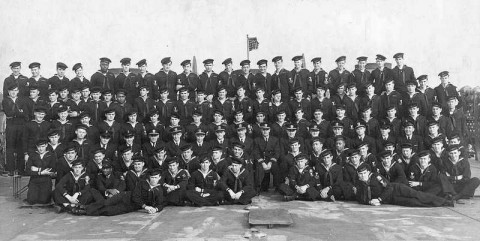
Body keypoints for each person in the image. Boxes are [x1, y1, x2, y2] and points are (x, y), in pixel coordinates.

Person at [355, 165, 453, 207]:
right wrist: (370, 202)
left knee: (417, 195)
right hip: (391, 199)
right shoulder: (359, 183)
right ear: (358, 175)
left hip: (397, 189)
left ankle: (445, 202)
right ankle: (435, 204)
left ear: (368, 172)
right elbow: (360, 198)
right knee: (413, 202)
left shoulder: (376, 176)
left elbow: (389, 187)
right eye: (360, 174)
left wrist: (379, 199)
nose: (363, 175)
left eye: (364, 173)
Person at [3, 84, 29, 175]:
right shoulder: (5, 101)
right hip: (11, 127)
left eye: (15, 90)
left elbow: (25, 114)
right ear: (9, 92)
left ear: (18, 91)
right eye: (11, 91)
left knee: (20, 148)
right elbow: (8, 113)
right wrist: (18, 112)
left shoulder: (22, 100)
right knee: (10, 148)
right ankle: (10, 169)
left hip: (21, 126)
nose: (13, 92)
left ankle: (20, 169)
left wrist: (17, 113)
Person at [25, 139, 57, 205]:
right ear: (36, 146)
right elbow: (27, 171)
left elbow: (52, 169)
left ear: (46, 145)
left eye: (43, 146)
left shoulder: (51, 155)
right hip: (34, 181)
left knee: (44, 201)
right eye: (39, 147)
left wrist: (37, 169)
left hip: (46, 180)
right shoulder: (32, 155)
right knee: (31, 201)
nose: (41, 149)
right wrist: (40, 172)